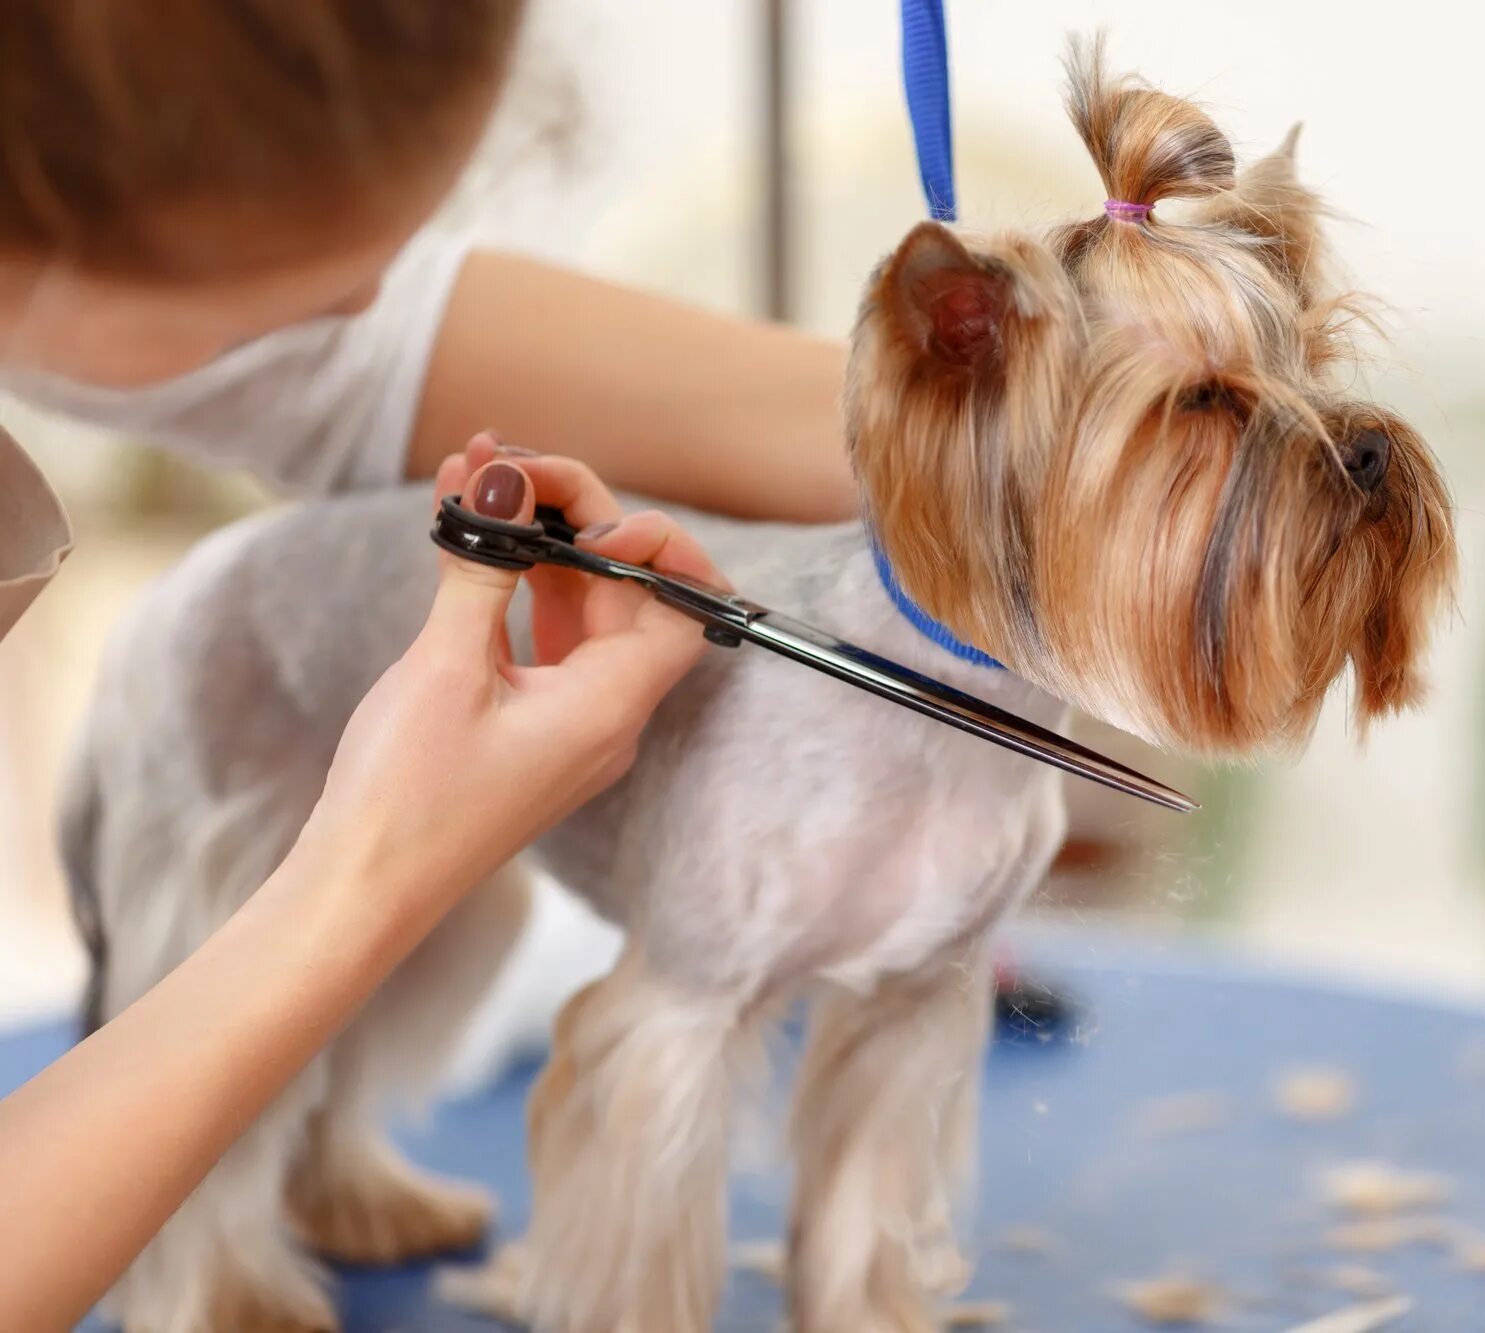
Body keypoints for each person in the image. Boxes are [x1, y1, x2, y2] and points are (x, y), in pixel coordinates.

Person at [0, 4, 854, 1328]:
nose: (357, 296)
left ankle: (320, 1172)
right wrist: (371, 872)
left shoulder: (106, 242)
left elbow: (373, 357)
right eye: (308, 270)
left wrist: (999, 434)